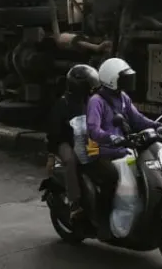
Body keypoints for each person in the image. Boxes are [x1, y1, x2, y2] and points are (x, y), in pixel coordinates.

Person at [85, 57, 162, 236]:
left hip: (124, 151)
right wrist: (112, 138)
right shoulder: (96, 101)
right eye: (124, 78)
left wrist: (157, 126)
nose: (129, 81)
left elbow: (137, 119)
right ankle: (102, 222)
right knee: (111, 179)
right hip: (103, 153)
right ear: (112, 79)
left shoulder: (122, 97)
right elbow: (93, 130)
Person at [46, 64, 100, 222]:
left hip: (86, 139)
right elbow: (54, 133)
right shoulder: (62, 105)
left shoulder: (91, 102)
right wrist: (51, 156)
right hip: (65, 141)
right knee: (70, 161)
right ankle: (74, 203)